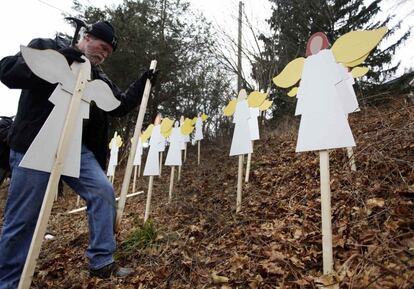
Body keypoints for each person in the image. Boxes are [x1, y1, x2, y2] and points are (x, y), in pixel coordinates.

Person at [0, 20, 157, 288]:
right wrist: (60, 59)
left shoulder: (96, 75)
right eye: (101, 46)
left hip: (76, 148)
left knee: (102, 191)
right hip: (34, 144)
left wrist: (142, 84)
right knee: (23, 218)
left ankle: (101, 261)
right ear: (86, 36)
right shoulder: (48, 47)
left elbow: (116, 104)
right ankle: (8, 281)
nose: (103, 54)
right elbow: (7, 71)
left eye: (108, 52)